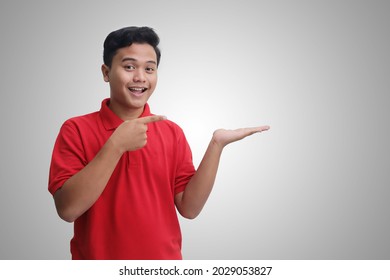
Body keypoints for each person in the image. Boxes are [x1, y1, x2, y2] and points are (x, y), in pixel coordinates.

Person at [48, 26, 270, 260]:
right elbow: (68, 209)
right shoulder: (75, 130)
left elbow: (189, 208)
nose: (140, 77)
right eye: (129, 66)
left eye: (149, 69)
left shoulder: (171, 133)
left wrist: (216, 145)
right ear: (106, 72)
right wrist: (115, 146)